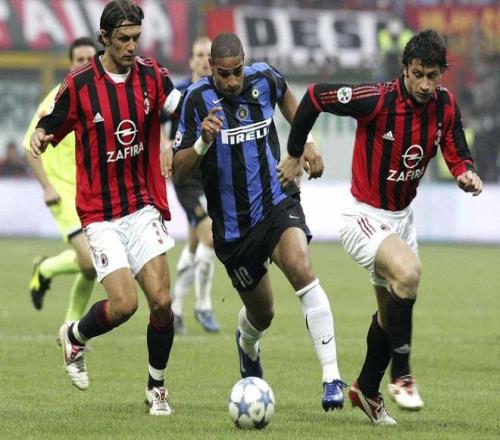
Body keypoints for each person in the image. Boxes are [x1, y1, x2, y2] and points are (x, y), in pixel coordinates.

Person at [281, 29, 483, 425]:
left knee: (391, 317)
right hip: (364, 217)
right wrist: (294, 152)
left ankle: (366, 391)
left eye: (433, 76)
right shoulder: (376, 99)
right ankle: (401, 376)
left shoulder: (444, 104)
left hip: (401, 220)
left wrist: (465, 172)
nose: (425, 84)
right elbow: (315, 96)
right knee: (409, 272)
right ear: (405, 69)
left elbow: (456, 146)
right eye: (418, 74)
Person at [172, 32, 346, 411]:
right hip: (234, 229)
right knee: (262, 314)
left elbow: (288, 97)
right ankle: (247, 344)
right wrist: (201, 142)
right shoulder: (196, 100)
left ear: (244, 63)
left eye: (237, 71)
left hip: (276, 202)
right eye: (224, 74)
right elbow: (179, 172)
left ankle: (332, 377)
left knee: (302, 269)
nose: (232, 81)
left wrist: (305, 145)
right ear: (211, 69)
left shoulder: (264, 78)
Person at [30, 0, 182, 416]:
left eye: (136, 38)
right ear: (104, 38)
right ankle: (75, 335)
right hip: (100, 213)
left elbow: (180, 106)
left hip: (142, 205)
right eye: (123, 39)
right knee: (124, 305)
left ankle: (156, 387)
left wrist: (177, 139)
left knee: (162, 301)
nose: (132, 46)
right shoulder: (80, 84)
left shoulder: (153, 75)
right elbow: (52, 121)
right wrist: (41, 134)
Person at [23, 38, 97, 346]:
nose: (85, 64)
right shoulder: (58, 98)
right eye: (79, 59)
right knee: (90, 262)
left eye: (90, 59)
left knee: (93, 266)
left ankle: (70, 329)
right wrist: (47, 187)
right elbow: (30, 145)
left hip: (90, 192)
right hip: (62, 191)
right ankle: (45, 269)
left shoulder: (100, 98)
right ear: (71, 64)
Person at [162, 36, 220, 335]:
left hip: (212, 173)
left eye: (209, 55)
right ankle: (203, 305)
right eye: (199, 54)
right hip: (186, 176)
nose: (204, 60)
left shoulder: (220, 92)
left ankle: (175, 310)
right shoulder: (180, 93)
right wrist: (165, 149)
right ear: (191, 60)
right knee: (209, 236)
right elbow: (160, 126)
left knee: (195, 242)